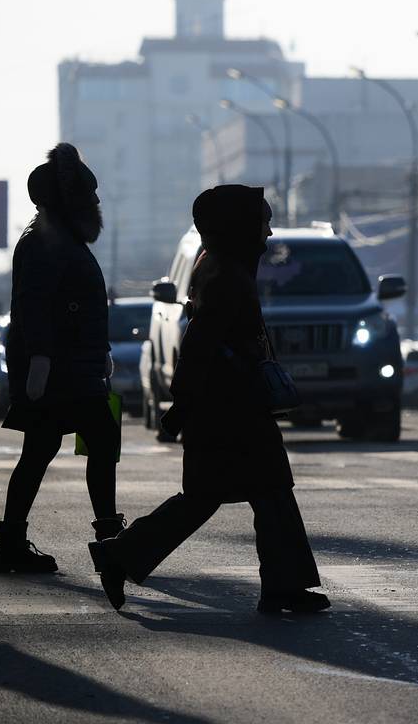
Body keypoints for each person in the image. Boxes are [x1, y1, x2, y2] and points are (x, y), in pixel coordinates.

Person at [90, 185, 328, 614]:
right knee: (233, 494)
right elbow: (200, 345)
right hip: (226, 410)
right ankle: (119, 556)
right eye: (262, 223)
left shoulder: (221, 266)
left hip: (230, 407)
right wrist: (182, 404)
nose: (269, 234)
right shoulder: (225, 276)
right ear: (238, 227)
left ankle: (283, 586)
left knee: (258, 493)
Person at [0, 143, 123, 574]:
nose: (97, 201)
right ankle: (109, 539)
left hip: (72, 366)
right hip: (59, 370)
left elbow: (80, 305)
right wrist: (42, 359)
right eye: (89, 193)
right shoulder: (46, 240)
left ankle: (11, 542)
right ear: (69, 199)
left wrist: (100, 353)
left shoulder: (60, 237)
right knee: (98, 440)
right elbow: (33, 304)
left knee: (46, 449)